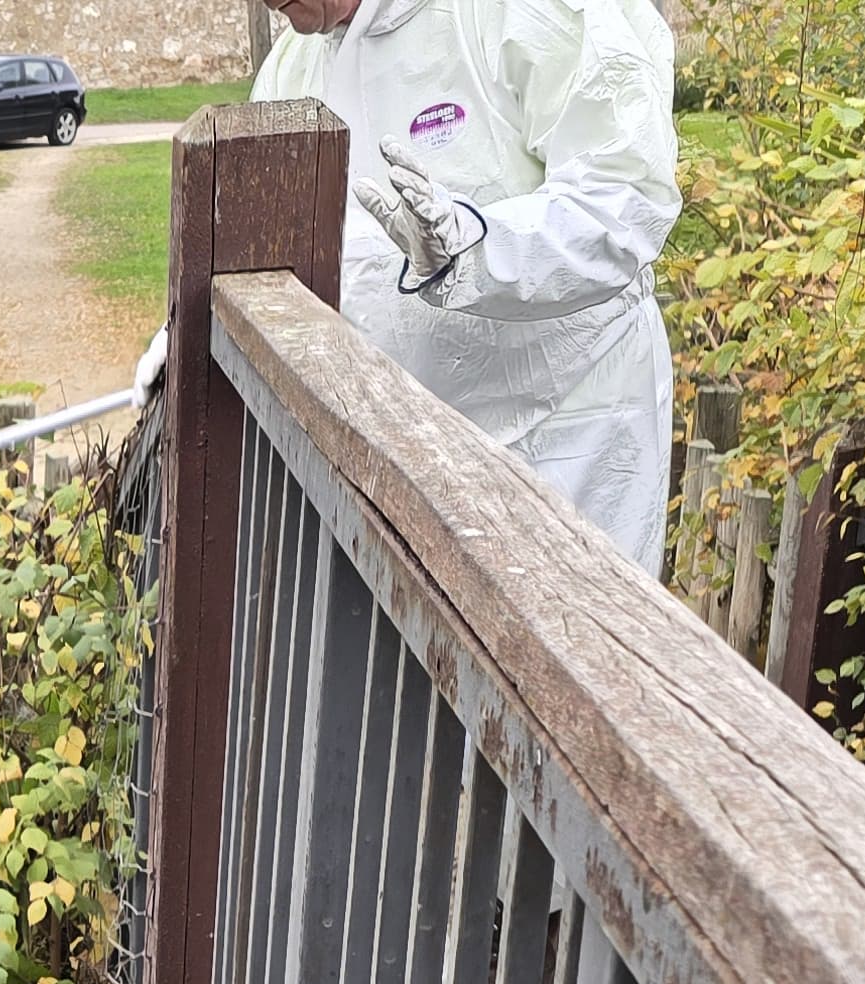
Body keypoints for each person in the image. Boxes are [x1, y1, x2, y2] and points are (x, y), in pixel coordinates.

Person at [253, 0, 683, 573]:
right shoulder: (294, 64)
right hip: (408, 461)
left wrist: (478, 245)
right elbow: (260, 226)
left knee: (568, 647)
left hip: (563, 447)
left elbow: (625, 197)